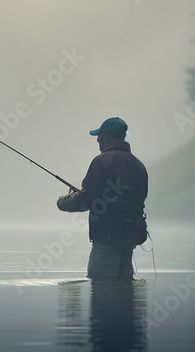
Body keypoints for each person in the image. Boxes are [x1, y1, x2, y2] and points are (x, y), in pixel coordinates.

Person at [57, 117, 148, 280]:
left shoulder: (102, 161)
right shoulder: (138, 165)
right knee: (124, 284)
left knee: (101, 284)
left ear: (106, 137)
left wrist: (64, 202)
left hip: (108, 233)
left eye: (99, 136)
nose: (97, 140)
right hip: (133, 234)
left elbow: (87, 199)